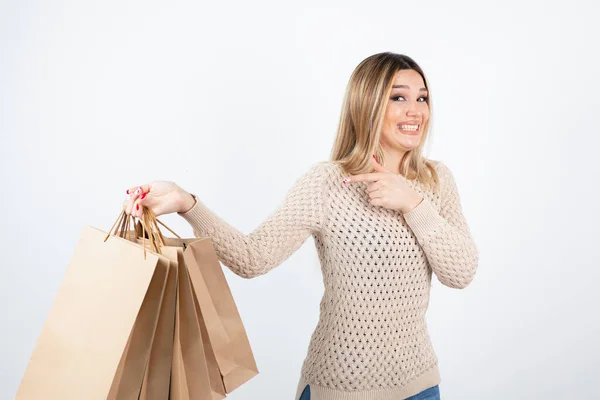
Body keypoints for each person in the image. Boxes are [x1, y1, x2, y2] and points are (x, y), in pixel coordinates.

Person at [123, 52, 479, 400]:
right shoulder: (327, 183)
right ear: (366, 105)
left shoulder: (436, 181)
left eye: (423, 98)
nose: (415, 110)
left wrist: (413, 204)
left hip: (420, 387)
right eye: (398, 97)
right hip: (340, 388)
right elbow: (253, 257)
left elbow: (461, 272)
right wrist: (188, 203)